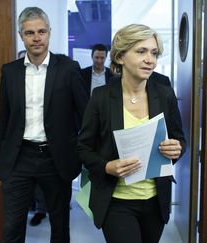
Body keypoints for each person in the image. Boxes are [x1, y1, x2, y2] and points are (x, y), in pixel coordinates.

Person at [76, 24, 186, 243]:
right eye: (141, 51)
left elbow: (179, 140)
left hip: (155, 201)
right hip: (117, 201)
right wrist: (107, 166)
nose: (150, 60)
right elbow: (82, 149)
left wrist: (176, 148)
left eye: (154, 53)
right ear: (120, 57)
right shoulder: (101, 97)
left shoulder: (164, 94)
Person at [0, 7, 88, 243]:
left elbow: (85, 115)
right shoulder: (10, 72)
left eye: (41, 31)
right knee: (12, 227)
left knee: (59, 225)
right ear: (21, 35)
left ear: (49, 33)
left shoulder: (68, 69)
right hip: (18, 158)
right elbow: (4, 118)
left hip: (56, 159)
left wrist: (78, 151)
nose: (36, 37)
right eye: (30, 33)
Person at [17, 49, 48, 227]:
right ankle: (33, 207)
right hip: (21, 145)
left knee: (41, 186)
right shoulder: (15, 81)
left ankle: (41, 211)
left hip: (44, 143)